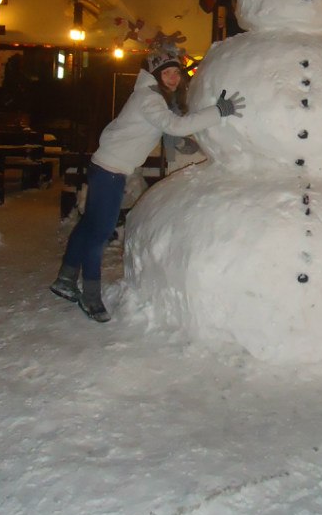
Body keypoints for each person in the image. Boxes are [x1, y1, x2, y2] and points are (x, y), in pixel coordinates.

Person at [50, 46, 244, 322]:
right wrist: (218, 112)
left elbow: (167, 123)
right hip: (110, 171)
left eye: (176, 72)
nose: (174, 78)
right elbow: (174, 125)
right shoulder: (149, 98)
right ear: (155, 75)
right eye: (167, 73)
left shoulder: (152, 95)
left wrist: (186, 130)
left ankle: (65, 278)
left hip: (107, 167)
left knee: (89, 225)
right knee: (99, 233)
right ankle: (90, 295)